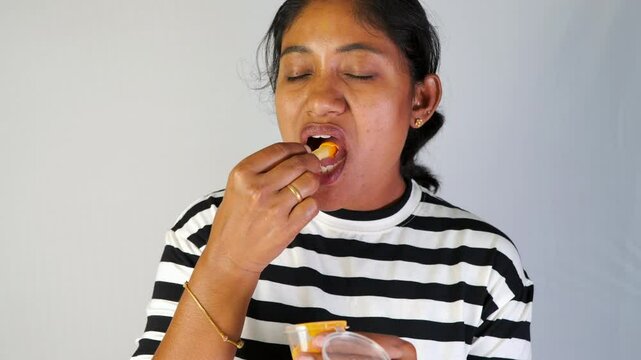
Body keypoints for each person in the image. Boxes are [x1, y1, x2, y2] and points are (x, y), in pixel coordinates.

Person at [131, 0, 533, 359]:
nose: (321, 99)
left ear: (421, 100)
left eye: (358, 73)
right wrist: (229, 263)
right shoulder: (209, 228)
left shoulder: (483, 265)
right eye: (298, 72)